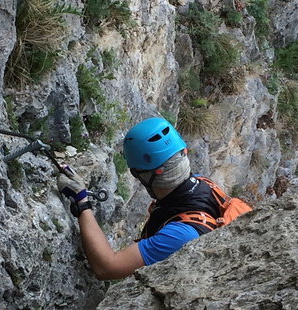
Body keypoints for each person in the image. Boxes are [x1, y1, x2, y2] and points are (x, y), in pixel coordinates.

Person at [57, 116, 250, 280]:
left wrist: (82, 203)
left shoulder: (181, 235)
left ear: (144, 175)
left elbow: (107, 267)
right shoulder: (202, 184)